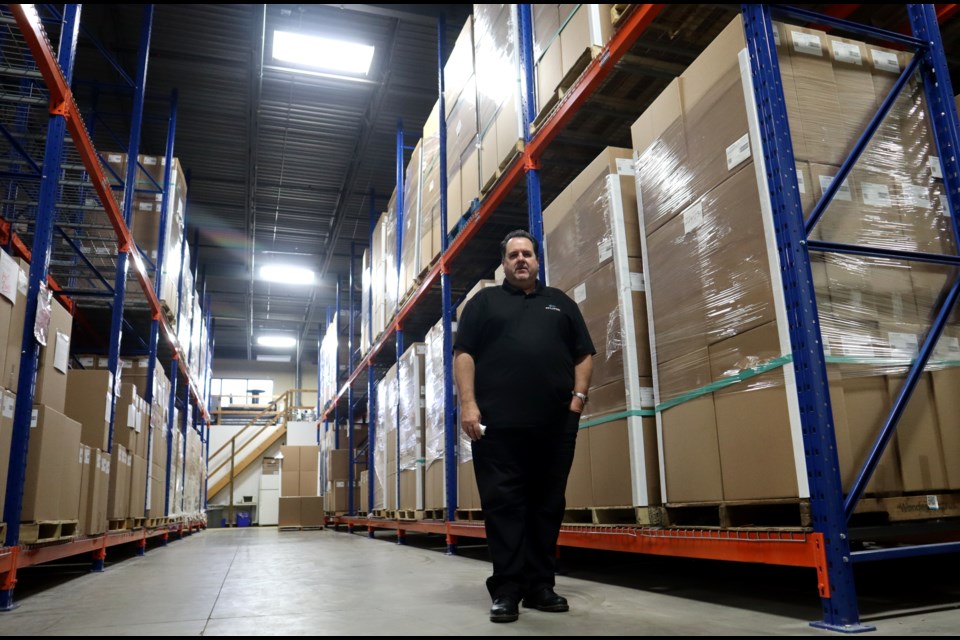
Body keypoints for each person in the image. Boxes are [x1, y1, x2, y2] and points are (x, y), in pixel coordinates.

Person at [453, 229, 595, 623]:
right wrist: (469, 405)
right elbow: (464, 355)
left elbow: (584, 354)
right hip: (498, 429)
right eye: (513, 254)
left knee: (547, 506)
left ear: (537, 260)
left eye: (527, 254)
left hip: (554, 427)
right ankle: (507, 590)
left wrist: (576, 401)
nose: (521, 260)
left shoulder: (560, 303)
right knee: (504, 508)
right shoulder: (484, 303)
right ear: (503, 262)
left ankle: (540, 586)